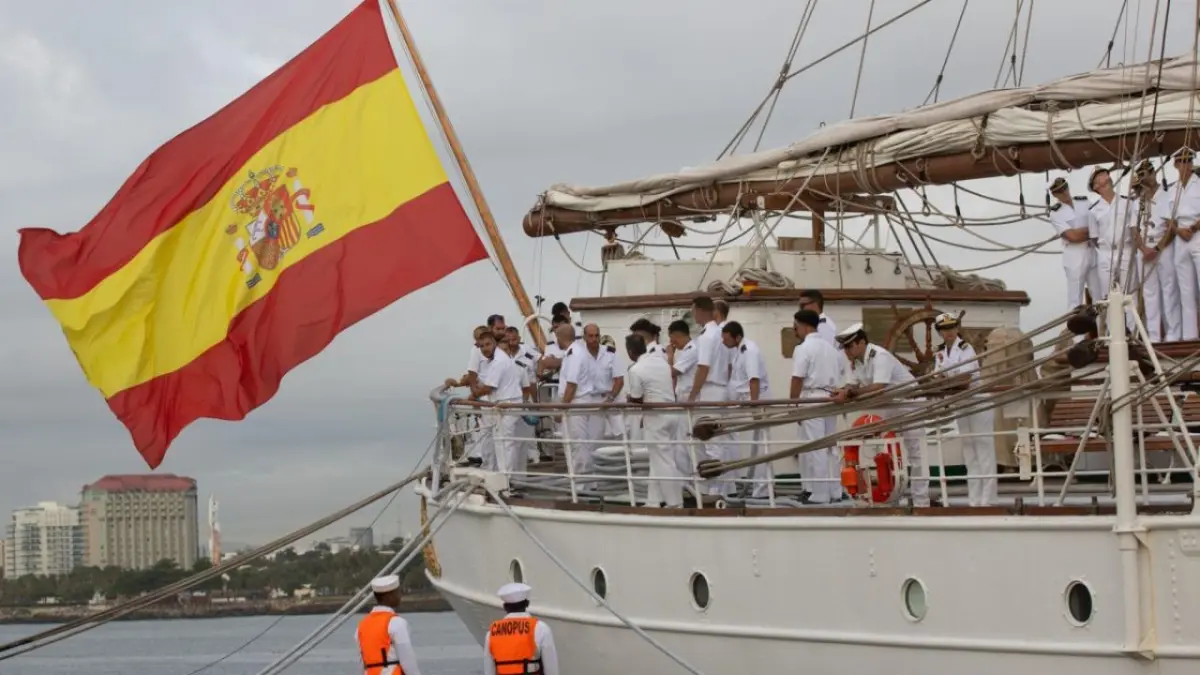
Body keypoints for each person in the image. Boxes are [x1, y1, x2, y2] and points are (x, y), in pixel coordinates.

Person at [832, 323, 930, 507]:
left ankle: (921, 502)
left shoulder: (880, 356)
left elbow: (879, 387)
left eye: (849, 346)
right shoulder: (856, 362)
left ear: (861, 343)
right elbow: (852, 384)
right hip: (888, 406)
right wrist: (842, 391)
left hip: (908, 405)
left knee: (917, 454)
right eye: (845, 347)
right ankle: (892, 497)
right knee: (888, 454)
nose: (846, 351)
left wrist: (853, 393)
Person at [931, 313, 997, 507]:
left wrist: (944, 383)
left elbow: (965, 380)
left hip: (977, 404)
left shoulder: (965, 349)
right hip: (961, 405)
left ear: (957, 329)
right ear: (940, 332)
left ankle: (989, 501)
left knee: (984, 451)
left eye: (951, 328)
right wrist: (941, 383)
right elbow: (937, 378)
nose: (949, 332)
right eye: (944, 329)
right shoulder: (941, 352)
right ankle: (975, 500)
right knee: (969, 452)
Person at [790, 309, 843, 504]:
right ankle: (835, 491)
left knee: (816, 448)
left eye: (795, 326)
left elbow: (797, 379)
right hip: (831, 397)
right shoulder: (831, 348)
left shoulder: (805, 348)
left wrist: (793, 406)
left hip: (812, 398)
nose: (795, 330)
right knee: (831, 447)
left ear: (804, 326)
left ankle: (820, 493)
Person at [626, 334, 683, 507]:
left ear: (630, 352)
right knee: (657, 459)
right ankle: (653, 500)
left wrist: (629, 398)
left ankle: (675, 504)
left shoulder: (636, 369)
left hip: (656, 417)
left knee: (663, 460)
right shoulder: (661, 362)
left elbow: (637, 397)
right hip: (673, 414)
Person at [687, 296, 733, 495]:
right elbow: (729, 366)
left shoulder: (706, 337)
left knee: (710, 440)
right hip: (722, 389)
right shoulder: (722, 334)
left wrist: (692, 396)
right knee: (719, 439)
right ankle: (723, 486)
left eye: (693, 311)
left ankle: (715, 489)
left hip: (711, 390)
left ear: (700, 310)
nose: (693, 315)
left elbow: (703, 368)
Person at [1131, 162, 1181, 342]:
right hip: (1144, 250)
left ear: (1154, 173)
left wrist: (1157, 249)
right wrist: (1144, 249)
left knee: (1169, 291)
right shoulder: (1138, 202)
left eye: (1147, 173)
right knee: (1149, 294)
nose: (1145, 178)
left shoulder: (1167, 196)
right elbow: (1133, 229)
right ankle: (1154, 336)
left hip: (1163, 248)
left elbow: (1171, 227)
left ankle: (1173, 334)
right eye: (1142, 175)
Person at [722, 321, 772, 497]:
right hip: (746, 403)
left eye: (726, 339)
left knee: (759, 446)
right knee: (754, 446)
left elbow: (754, 380)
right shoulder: (738, 351)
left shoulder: (749, 350)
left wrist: (754, 406)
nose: (724, 342)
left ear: (737, 336)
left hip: (755, 404)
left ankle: (763, 490)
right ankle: (757, 488)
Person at [471, 332, 526, 473]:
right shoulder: (498, 359)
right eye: (482, 346)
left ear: (494, 344)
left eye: (488, 344)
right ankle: (505, 476)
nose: (485, 349)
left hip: (508, 404)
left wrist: (474, 395)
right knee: (503, 442)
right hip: (505, 404)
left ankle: (506, 479)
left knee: (504, 442)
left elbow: (489, 388)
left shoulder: (498, 361)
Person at [1047, 176, 1103, 310]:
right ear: (1054, 194)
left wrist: (1083, 232)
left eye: (1065, 188)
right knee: (1075, 300)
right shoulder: (1055, 212)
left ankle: (1104, 330)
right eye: (1060, 191)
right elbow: (1073, 236)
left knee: (1100, 297)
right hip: (1074, 254)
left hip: (1091, 251)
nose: (1065, 192)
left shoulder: (1083, 202)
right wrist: (1092, 230)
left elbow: (1099, 223)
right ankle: (1078, 331)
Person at [484, 583, 558, 675]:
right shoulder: (540, 628)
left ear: (505, 606)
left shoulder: (492, 633)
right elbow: (551, 669)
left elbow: (489, 671)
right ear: (527, 603)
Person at [356, 574, 422, 675]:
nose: (400, 596)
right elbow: (407, 659)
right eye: (397, 592)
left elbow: (361, 663)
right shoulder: (396, 623)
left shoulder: (362, 626)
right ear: (389, 596)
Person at [1168, 147, 1200, 340]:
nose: (1185, 165)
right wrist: (1178, 230)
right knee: (1185, 289)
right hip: (1180, 238)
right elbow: (1168, 219)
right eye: (1182, 161)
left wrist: (1193, 229)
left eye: (1188, 160)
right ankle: (1190, 336)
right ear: (1175, 164)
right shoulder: (1172, 189)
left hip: (1197, 235)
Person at [667, 319, 701, 477]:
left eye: (672, 339)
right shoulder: (687, 351)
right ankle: (686, 479)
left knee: (688, 442)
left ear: (676, 336)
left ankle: (694, 479)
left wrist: (669, 356)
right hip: (682, 400)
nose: (672, 343)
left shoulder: (691, 350)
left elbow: (673, 372)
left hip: (689, 401)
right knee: (682, 443)